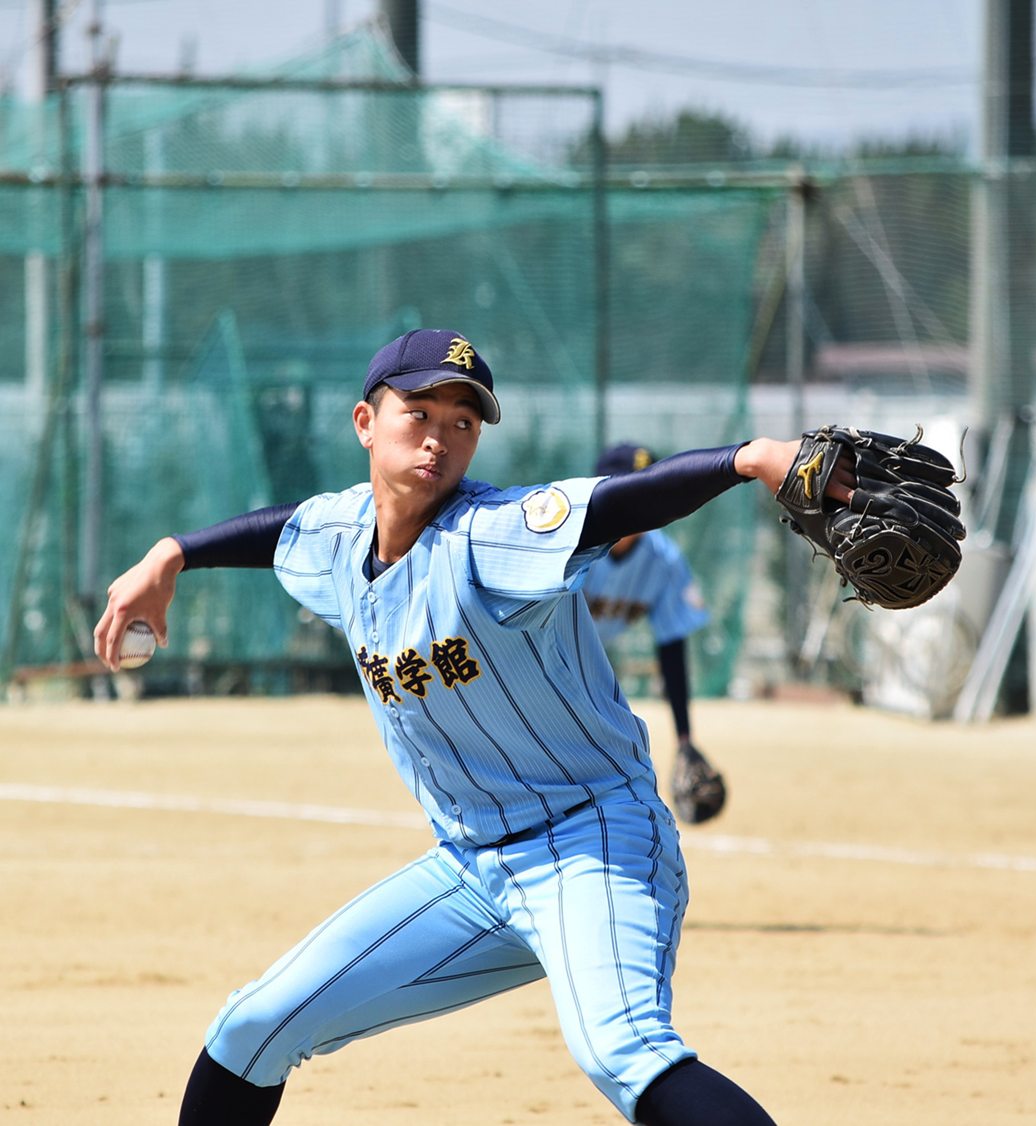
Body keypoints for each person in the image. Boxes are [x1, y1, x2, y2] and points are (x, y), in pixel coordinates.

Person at [94, 328, 855, 1126]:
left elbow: (616, 501)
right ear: (365, 422)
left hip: (592, 838)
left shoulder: (491, 532)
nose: (441, 437)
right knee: (252, 1027)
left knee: (620, 1048)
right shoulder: (341, 533)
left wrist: (753, 458)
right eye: (418, 412)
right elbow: (276, 532)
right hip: (469, 867)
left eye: (463, 421)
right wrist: (169, 555)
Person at [583, 442, 727, 824]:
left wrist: (684, 738)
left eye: (649, 488)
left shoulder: (662, 560)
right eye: (631, 488)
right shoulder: (571, 543)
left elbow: (671, 645)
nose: (641, 500)